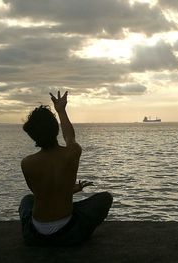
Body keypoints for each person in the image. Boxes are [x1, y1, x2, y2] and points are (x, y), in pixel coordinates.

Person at [19, 91, 113, 246]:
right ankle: (77, 234)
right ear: (55, 129)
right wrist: (61, 111)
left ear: (33, 136)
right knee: (105, 198)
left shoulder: (27, 163)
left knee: (27, 200)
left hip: (34, 235)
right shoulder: (72, 152)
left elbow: (40, 193)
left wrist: (66, 190)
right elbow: (70, 137)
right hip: (69, 233)